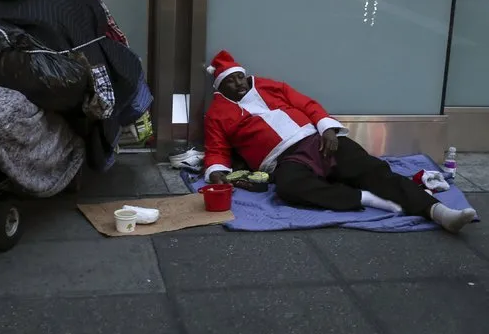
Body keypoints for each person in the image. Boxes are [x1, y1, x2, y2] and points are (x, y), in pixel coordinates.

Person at [203, 50, 476, 233]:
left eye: (240, 76)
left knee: (373, 170)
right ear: (220, 87)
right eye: (231, 81)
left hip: (317, 139)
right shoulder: (217, 113)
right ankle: (361, 197)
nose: (240, 83)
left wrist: (328, 130)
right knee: (288, 188)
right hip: (285, 159)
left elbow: (308, 105)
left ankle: (438, 212)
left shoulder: (269, 86)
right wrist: (217, 173)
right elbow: (217, 149)